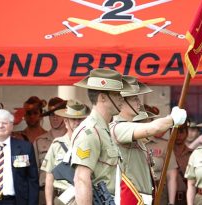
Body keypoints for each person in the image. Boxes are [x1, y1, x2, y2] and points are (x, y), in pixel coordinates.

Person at [110, 76, 187, 204]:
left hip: (141, 198)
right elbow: (153, 128)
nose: (139, 103)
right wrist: (172, 119)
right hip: (130, 198)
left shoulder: (130, 129)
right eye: (135, 98)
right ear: (121, 102)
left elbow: (152, 130)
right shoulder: (118, 127)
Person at [70, 68, 133, 204]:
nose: (121, 99)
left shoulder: (104, 129)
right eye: (116, 94)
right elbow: (81, 179)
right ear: (102, 97)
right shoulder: (90, 132)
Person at [41, 100, 90, 205]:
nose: (77, 123)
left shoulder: (91, 142)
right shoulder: (57, 145)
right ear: (66, 121)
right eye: (73, 119)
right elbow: (49, 177)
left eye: (80, 119)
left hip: (86, 197)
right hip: (63, 199)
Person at [34, 97, 67, 205]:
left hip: (67, 193)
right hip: (43, 194)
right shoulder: (39, 141)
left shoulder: (74, 139)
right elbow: (33, 173)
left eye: (58, 114)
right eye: (52, 115)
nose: (55, 118)